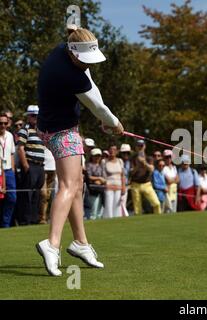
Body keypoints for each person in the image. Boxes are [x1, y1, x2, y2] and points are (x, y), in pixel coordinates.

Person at [35, 27, 124, 276]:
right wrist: (115, 124)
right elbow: (98, 106)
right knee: (68, 185)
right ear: (74, 53)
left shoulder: (62, 50)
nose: (88, 66)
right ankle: (52, 244)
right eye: (85, 60)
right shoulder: (73, 76)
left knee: (77, 183)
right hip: (62, 133)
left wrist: (75, 30)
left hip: (47, 127)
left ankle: (81, 243)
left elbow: (93, 92)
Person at [16, 105, 45, 225]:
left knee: (37, 194)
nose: (36, 118)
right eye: (33, 115)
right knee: (27, 194)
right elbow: (20, 148)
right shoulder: (24, 129)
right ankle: (25, 221)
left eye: (37, 116)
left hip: (40, 166)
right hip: (31, 165)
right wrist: (26, 166)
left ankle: (34, 219)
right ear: (28, 117)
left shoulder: (40, 130)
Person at [129, 140, 161, 215]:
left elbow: (151, 169)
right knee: (137, 210)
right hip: (135, 184)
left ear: (144, 147)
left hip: (147, 184)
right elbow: (131, 172)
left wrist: (144, 162)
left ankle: (159, 220)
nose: (140, 148)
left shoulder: (149, 158)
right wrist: (137, 166)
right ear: (136, 147)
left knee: (156, 204)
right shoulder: (133, 158)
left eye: (141, 146)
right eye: (138, 146)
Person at [0, 113, 16, 228]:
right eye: (1, 123)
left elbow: (11, 154)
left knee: (12, 198)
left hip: (9, 170)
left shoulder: (10, 136)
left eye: (5, 123)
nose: (3, 125)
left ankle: (6, 225)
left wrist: (13, 169)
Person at [102, 145, 126, 219]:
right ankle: (108, 220)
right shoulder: (104, 161)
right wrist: (105, 184)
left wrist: (123, 187)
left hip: (119, 186)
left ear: (117, 151)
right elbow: (103, 175)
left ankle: (117, 221)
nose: (112, 151)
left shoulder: (120, 161)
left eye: (114, 149)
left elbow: (122, 175)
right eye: (110, 149)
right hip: (109, 186)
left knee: (117, 205)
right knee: (109, 205)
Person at [85, 148, 105, 220]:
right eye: (95, 156)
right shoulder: (89, 165)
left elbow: (104, 176)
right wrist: (99, 179)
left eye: (99, 156)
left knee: (100, 209)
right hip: (92, 189)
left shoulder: (101, 165)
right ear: (92, 156)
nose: (97, 157)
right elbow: (89, 176)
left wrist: (101, 180)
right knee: (94, 208)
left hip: (101, 188)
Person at [39, 146, 56, 224]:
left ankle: (48, 216)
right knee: (44, 194)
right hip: (44, 168)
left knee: (50, 195)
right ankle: (42, 217)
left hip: (53, 169)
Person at [119, 144, 131, 215]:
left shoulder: (129, 162)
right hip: (118, 185)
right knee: (121, 203)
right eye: (124, 153)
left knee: (123, 203)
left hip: (126, 186)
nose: (126, 154)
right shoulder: (119, 161)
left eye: (127, 153)